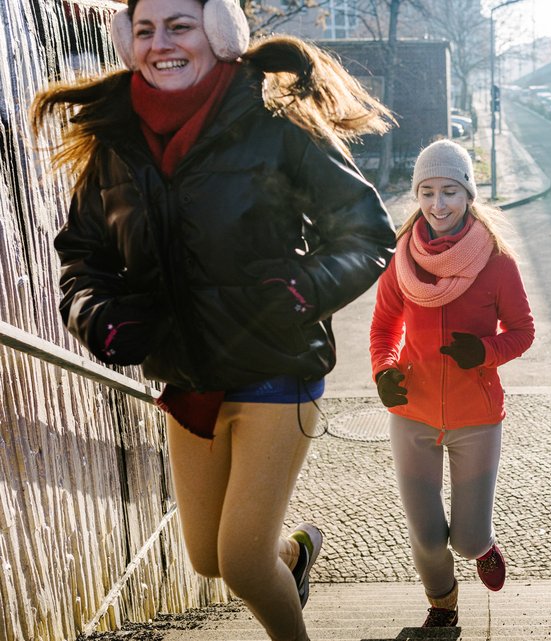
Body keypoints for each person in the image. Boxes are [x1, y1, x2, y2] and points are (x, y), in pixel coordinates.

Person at [31, 0, 396, 638]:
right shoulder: (116, 139)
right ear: (126, 40)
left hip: (278, 366)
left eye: (180, 25)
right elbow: (80, 261)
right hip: (187, 378)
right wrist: (103, 319)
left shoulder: (277, 120)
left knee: (242, 562)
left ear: (221, 32)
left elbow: (366, 233)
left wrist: (302, 292)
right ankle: (296, 556)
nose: (160, 43)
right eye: (145, 29)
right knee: (208, 557)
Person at [369, 139, 535, 628]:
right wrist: (384, 371)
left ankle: (482, 546)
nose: (438, 205)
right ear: (417, 196)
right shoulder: (402, 260)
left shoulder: (497, 264)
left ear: (468, 194)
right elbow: (383, 330)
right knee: (425, 536)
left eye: (449, 192)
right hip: (412, 416)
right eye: (427, 192)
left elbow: (523, 333)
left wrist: (484, 352)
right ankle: (442, 605)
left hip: (477, 421)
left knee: (464, 539)